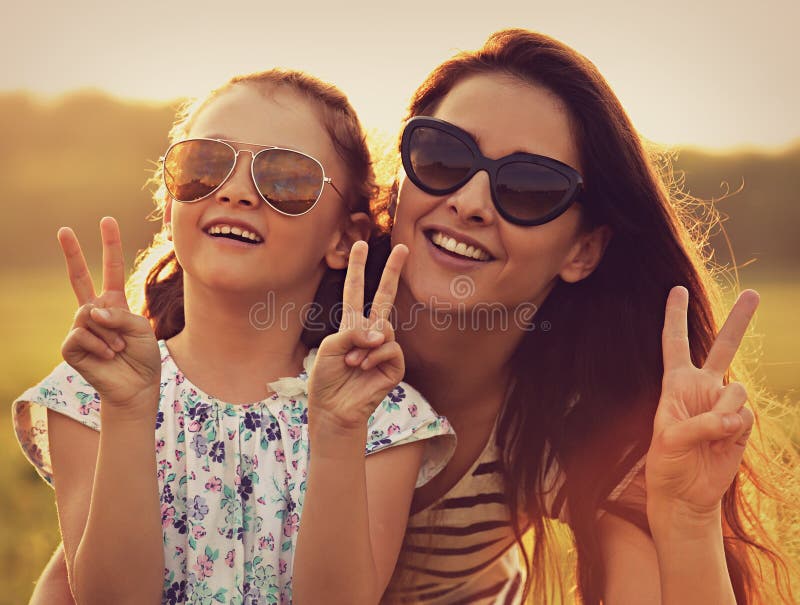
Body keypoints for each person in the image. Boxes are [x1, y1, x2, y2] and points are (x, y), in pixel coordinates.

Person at [355, 29, 796, 604]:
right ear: (401, 175)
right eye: (442, 155)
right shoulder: (297, 326)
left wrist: (687, 520)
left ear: (582, 251)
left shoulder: (573, 414)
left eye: (531, 187)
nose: (469, 202)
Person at [12, 69, 454, 604]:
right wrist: (127, 413)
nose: (238, 192)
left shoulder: (379, 414)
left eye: (288, 178)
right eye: (205, 163)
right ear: (170, 196)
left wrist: (338, 433)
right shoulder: (91, 392)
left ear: (345, 237)